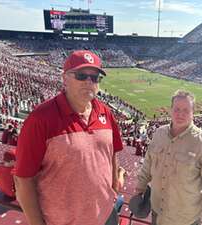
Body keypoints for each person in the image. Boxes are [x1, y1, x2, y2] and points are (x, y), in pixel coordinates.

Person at [14, 50, 124, 225]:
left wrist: (113, 187)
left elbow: (112, 153)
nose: (89, 82)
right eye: (81, 75)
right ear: (65, 78)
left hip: (106, 215)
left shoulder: (105, 112)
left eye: (94, 77)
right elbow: (23, 179)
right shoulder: (41, 118)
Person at [135, 90, 202, 225]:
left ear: (193, 112)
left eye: (186, 110)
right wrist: (139, 189)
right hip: (157, 213)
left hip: (185, 220)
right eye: (177, 109)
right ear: (170, 110)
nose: (180, 114)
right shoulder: (159, 133)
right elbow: (147, 165)